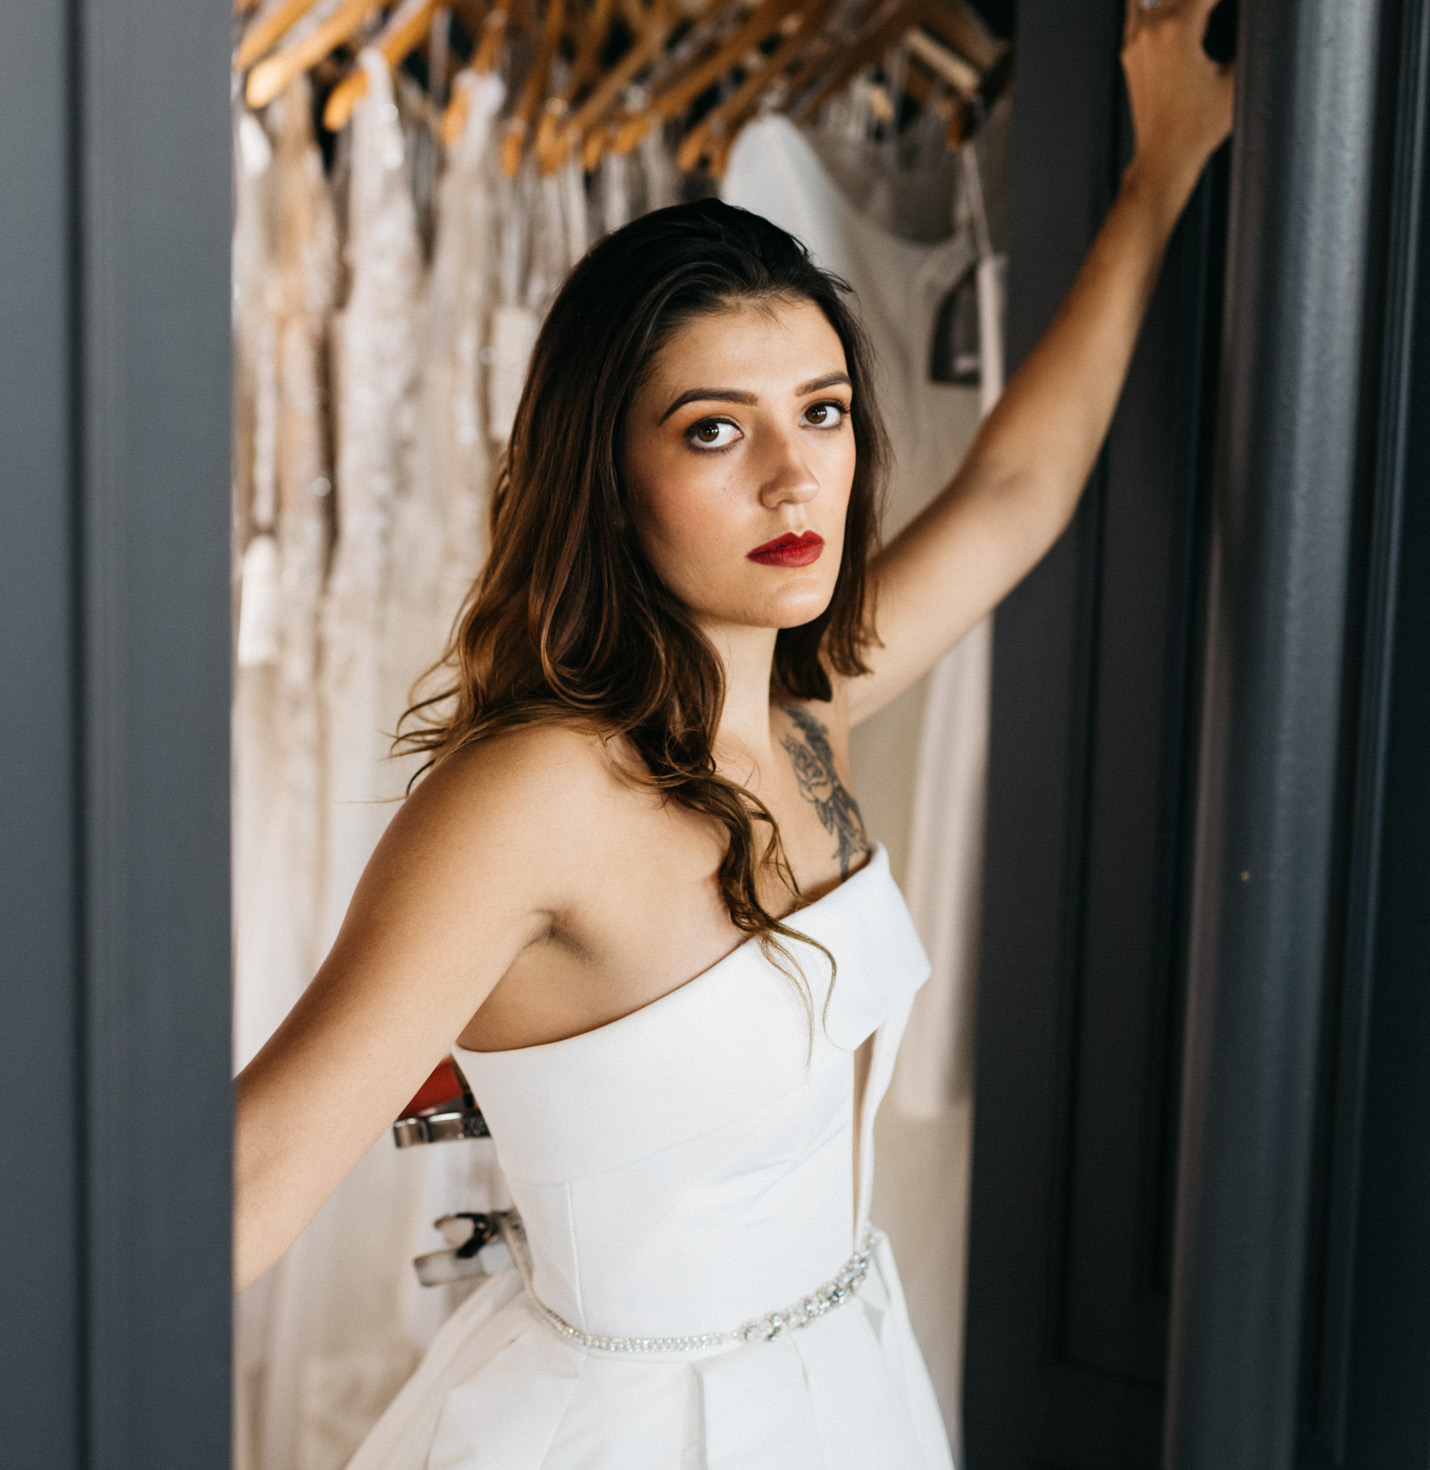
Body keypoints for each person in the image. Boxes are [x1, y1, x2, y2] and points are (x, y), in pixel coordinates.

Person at [235, 3, 1234, 1463]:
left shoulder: (791, 713)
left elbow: (1018, 488)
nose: (791, 477)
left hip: (852, 1382)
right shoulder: (533, 797)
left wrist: (1159, 177)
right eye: (714, 429)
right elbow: (250, 1178)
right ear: (605, 472)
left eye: (821, 412)